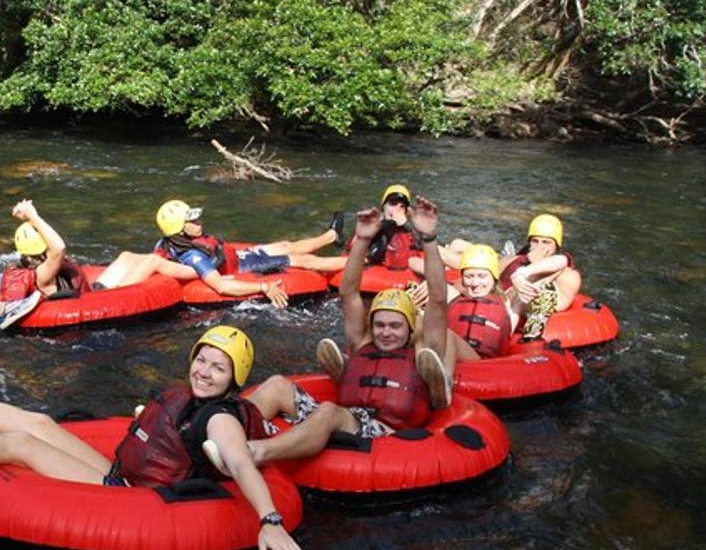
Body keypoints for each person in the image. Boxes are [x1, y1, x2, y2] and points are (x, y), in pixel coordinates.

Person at [0, 326, 308, 550]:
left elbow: (240, 461)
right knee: (40, 423)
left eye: (219, 367)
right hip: (120, 473)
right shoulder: (190, 398)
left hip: (130, 498)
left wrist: (269, 520)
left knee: (20, 444)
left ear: (234, 378)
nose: (205, 372)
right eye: (202, 359)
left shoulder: (220, 418)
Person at [205, 197, 453, 468]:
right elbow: (348, 292)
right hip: (347, 418)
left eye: (395, 326)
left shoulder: (423, 351)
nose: (386, 332)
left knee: (327, 412)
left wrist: (428, 239)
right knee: (277, 384)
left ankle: (251, 454)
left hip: (384, 435)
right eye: (380, 325)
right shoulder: (361, 343)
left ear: (409, 327)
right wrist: (361, 239)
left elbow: (439, 300)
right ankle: (212, 432)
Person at [94, 200, 347, 306]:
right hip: (244, 265)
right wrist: (263, 288)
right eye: (191, 220)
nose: (198, 221)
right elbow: (222, 287)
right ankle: (360, 260)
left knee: (285, 244)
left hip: (237, 255)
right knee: (302, 260)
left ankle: (332, 236)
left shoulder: (168, 241)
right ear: (179, 228)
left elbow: (147, 259)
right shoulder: (194, 256)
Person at [432, 213, 582, 341]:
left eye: (546, 242)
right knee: (457, 245)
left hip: (515, 306)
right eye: (535, 241)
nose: (540, 247)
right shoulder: (516, 260)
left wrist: (531, 272)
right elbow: (486, 275)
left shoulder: (568, 274)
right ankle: (426, 243)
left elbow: (561, 301)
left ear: (556, 246)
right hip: (498, 293)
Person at [360, 184, 422, 270]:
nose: (397, 209)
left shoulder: (409, 228)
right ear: (383, 207)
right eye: (393, 203)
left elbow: (423, 244)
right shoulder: (373, 223)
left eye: (402, 206)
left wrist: (406, 224)